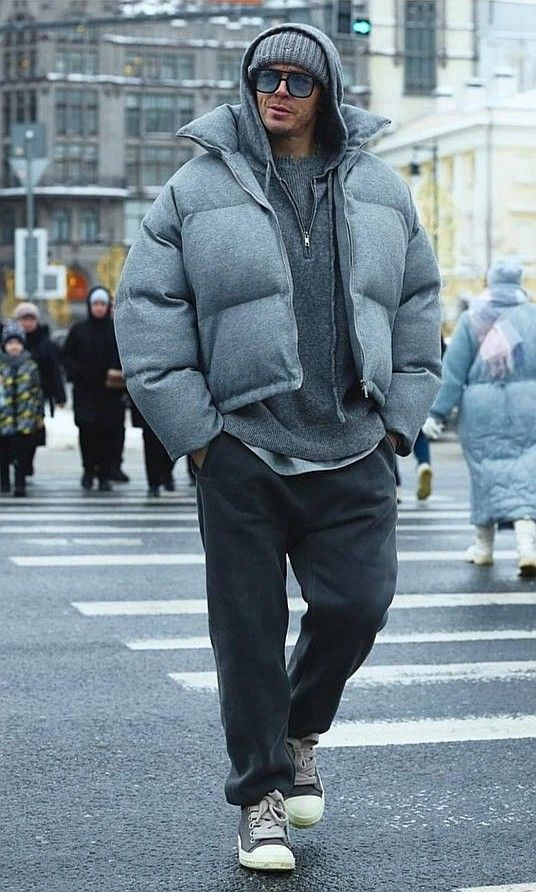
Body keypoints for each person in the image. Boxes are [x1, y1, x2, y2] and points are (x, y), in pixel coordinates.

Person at [114, 23, 442, 872]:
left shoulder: (381, 188)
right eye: (267, 77)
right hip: (244, 451)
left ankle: (300, 730)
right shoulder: (195, 188)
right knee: (248, 637)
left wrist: (398, 420)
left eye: (298, 80)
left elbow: (417, 305)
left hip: (354, 444)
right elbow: (147, 311)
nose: (280, 92)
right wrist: (200, 436)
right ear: (249, 83)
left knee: (358, 606)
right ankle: (260, 796)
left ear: (326, 90)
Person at [423, 257, 536, 577]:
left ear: (491, 281)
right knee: (527, 473)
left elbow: (453, 372)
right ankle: (527, 543)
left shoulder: (473, 317)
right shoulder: (533, 316)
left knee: (485, 473)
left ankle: (484, 547)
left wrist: (437, 413)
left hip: (481, 409)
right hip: (529, 405)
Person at [62, 286, 125, 492]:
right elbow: (67, 357)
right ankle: (88, 471)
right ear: (90, 306)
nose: (99, 308)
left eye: (102, 304)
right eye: (95, 304)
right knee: (87, 435)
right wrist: (79, 372)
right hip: (85, 393)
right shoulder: (79, 330)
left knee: (108, 436)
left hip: (110, 393)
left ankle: (104, 474)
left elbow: (124, 357)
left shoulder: (115, 331)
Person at [13, 301, 66, 478]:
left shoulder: (45, 343)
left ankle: (26, 462)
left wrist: (59, 396)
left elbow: (54, 371)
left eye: (31, 319)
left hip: (36, 397)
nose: (27, 323)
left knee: (33, 433)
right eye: (24, 319)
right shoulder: (10, 341)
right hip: (11, 398)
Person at [0, 322, 44, 497]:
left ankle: (20, 483)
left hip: (25, 418)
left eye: (17, 343)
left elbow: (37, 391)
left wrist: (38, 415)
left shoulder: (30, 365)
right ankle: (4, 481)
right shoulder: (1, 366)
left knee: (22, 453)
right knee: (3, 453)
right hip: (4, 418)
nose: (14, 347)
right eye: (10, 343)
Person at [130, 402, 176, 497]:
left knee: (172, 440)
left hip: (171, 403)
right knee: (151, 442)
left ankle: (165, 473)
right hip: (149, 402)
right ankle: (154, 482)